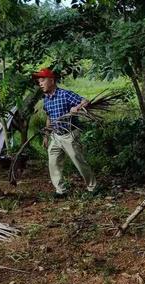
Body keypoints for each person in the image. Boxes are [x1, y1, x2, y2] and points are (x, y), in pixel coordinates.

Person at [32, 68, 97, 197]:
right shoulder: (46, 99)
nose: (40, 83)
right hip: (55, 136)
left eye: (42, 80)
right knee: (53, 162)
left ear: (51, 80)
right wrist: (46, 136)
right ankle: (61, 190)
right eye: (39, 81)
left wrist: (76, 108)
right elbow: (49, 118)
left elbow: (86, 101)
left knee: (79, 161)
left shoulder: (65, 94)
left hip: (69, 135)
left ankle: (93, 188)